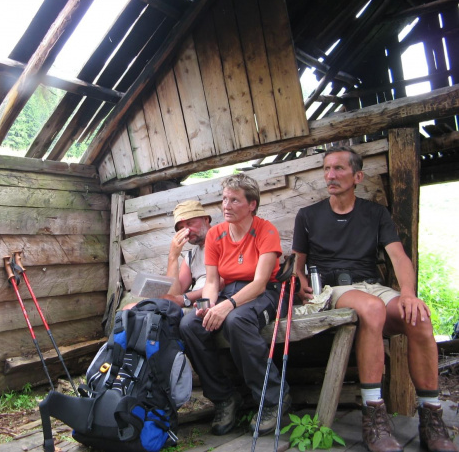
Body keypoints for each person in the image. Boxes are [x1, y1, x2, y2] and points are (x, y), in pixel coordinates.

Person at [292, 146, 456, 452]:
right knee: (371, 308)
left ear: (357, 176)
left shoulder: (375, 213)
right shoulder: (308, 216)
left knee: (418, 317)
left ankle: (431, 418)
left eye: (339, 169)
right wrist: (300, 283)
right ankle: (374, 414)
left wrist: (408, 294)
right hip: (333, 291)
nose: (331, 175)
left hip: (371, 285)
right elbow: (296, 265)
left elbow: (398, 256)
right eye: (327, 169)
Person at [179, 173, 289, 437]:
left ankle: (273, 399)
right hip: (229, 292)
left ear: (251, 204)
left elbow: (260, 283)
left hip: (265, 294)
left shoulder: (266, 230)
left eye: (235, 200)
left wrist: (226, 307)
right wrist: (210, 305)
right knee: (190, 324)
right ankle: (224, 398)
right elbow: (213, 280)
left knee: (236, 321)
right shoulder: (216, 234)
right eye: (224, 199)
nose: (226, 205)